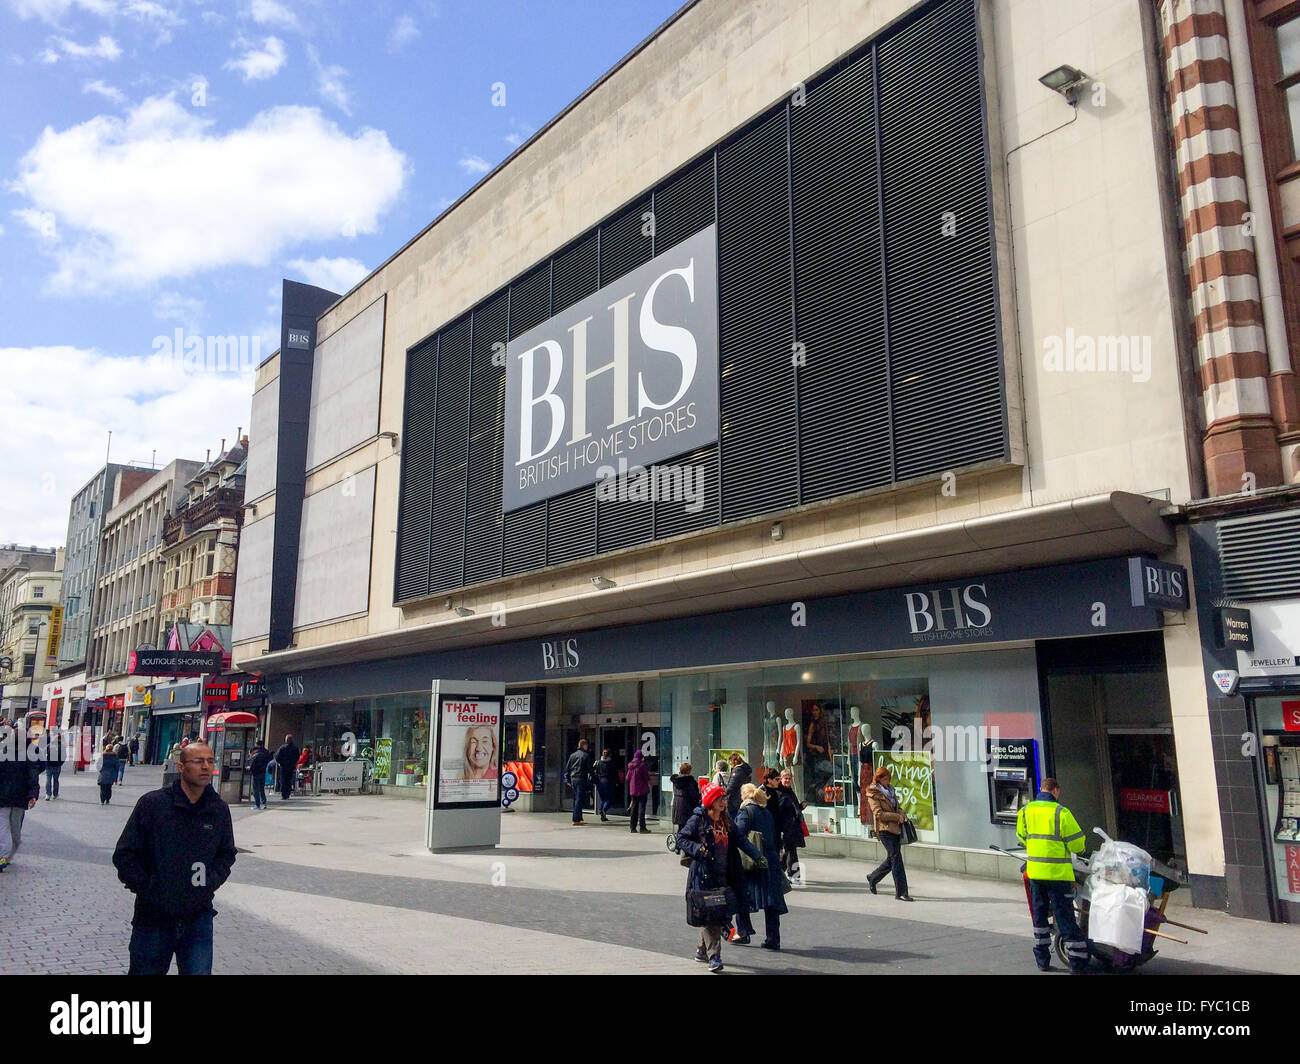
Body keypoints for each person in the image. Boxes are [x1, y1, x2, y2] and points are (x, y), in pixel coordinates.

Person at [112, 742, 236, 975]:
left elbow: (226, 853)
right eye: (198, 761)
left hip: (198, 917)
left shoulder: (218, 809)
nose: (206, 767)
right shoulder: (153, 804)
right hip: (154, 917)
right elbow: (125, 854)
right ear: (181, 767)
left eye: (210, 761)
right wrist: (149, 889)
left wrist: (209, 882)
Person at [676, 782, 764, 972]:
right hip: (703, 875)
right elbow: (681, 838)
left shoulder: (726, 819)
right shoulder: (698, 819)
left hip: (725, 873)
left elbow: (740, 838)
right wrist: (697, 849)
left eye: (724, 798)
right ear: (711, 800)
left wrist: (757, 855)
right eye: (720, 799)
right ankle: (715, 957)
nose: (724, 802)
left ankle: (702, 950)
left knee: (715, 913)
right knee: (712, 914)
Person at [1016, 777, 1088, 973]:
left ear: (1041, 789)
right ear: (1056, 790)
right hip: (1058, 876)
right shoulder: (1061, 812)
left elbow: (1021, 836)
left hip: (1036, 875)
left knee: (1039, 918)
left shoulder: (1025, 811)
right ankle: (1077, 963)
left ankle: (1042, 960)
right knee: (1065, 918)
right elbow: (1078, 844)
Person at [733, 782, 788, 949]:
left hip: (752, 862)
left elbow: (739, 835)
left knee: (741, 894)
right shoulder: (766, 813)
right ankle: (773, 939)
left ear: (744, 796)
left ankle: (743, 932)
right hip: (770, 859)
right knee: (771, 901)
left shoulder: (745, 811)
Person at [864, 766, 912, 901]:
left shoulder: (891, 790)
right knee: (896, 859)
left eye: (888, 779)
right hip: (884, 829)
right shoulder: (873, 793)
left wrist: (901, 813)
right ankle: (901, 892)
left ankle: (873, 877)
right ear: (878, 779)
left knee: (892, 858)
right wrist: (897, 817)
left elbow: (898, 806)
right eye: (884, 779)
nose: (887, 781)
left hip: (895, 829)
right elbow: (878, 814)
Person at [0, 723, 40, 872]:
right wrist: (33, 794)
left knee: (3, 826)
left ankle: (3, 855)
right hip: (20, 796)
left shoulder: (4, 751)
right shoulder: (29, 754)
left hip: (3, 795)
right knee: (15, 827)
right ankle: (7, 855)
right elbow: (33, 775)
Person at [776, 768, 807, 874]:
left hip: (793, 826)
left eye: (789, 778)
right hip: (785, 827)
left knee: (789, 851)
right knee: (791, 851)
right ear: (781, 779)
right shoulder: (779, 793)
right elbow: (779, 810)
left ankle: (779, 872)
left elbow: (793, 807)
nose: (788, 780)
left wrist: (800, 806)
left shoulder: (789, 792)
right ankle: (794, 874)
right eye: (786, 778)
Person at [564, 738, 594, 825]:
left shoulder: (572, 755)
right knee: (579, 799)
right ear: (584, 745)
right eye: (586, 745)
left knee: (576, 798)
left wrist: (567, 780)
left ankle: (579, 817)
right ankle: (576, 819)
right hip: (581, 778)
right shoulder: (585, 755)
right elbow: (590, 769)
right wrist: (594, 778)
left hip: (573, 779)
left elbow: (567, 768)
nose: (587, 747)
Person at [670, 762, 701, 829]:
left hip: (677, 806)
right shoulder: (690, 781)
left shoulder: (676, 780)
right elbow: (694, 795)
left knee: (681, 827)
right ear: (689, 771)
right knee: (688, 827)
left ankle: (679, 838)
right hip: (687, 807)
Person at [626, 749, 651, 834]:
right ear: (641, 757)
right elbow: (646, 777)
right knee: (642, 809)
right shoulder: (642, 765)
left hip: (633, 790)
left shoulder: (631, 766)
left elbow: (627, 778)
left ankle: (632, 827)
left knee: (634, 808)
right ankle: (642, 828)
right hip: (642, 790)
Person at [592, 748, 618, 822]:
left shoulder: (598, 762)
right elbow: (614, 774)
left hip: (599, 782)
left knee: (603, 799)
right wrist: (616, 782)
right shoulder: (611, 763)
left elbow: (593, 771)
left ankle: (602, 814)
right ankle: (603, 810)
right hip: (607, 782)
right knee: (609, 799)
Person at [725, 752, 752, 818]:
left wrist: (722, 793)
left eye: (730, 762)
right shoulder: (745, 770)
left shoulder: (737, 771)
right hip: (742, 797)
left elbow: (731, 786)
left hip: (734, 801)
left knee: (734, 819)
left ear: (734, 761)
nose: (730, 764)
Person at [41, 728, 66, 800]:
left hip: (49, 765)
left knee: (48, 779)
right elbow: (64, 756)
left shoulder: (49, 745)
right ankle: (55, 794)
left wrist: (45, 763)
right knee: (56, 780)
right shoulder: (62, 746)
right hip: (57, 765)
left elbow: (43, 754)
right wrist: (60, 763)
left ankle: (48, 794)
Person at [274, 735, 300, 801]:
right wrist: (294, 762)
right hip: (291, 766)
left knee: (283, 780)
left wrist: (280, 762)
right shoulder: (295, 748)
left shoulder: (282, 748)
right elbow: (297, 757)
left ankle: (284, 795)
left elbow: (277, 756)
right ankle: (288, 794)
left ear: (286, 740)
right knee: (289, 780)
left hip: (284, 766)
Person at [247, 742, 272, 810]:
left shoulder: (255, 756)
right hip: (263, 773)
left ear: (253, 751)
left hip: (256, 774)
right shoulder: (264, 755)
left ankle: (257, 804)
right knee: (262, 789)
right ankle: (264, 803)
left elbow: (252, 766)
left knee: (256, 790)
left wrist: (249, 768)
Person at [98, 741, 121, 806]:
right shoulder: (115, 756)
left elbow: (98, 765)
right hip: (111, 774)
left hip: (103, 774)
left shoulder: (102, 756)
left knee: (102, 788)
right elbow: (117, 765)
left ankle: (102, 800)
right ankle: (107, 799)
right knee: (109, 788)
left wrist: (100, 770)